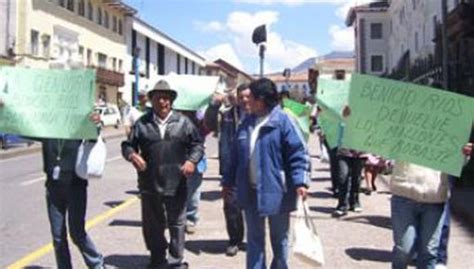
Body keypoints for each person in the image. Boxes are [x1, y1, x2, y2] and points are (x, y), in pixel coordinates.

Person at [223, 78, 310, 269]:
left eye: (251, 97)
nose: (247, 101)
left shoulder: (283, 121)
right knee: (254, 239)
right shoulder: (246, 123)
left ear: (261, 99)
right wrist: (227, 182)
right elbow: (234, 156)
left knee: (279, 240)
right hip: (250, 190)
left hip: (277, 191)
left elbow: (299, 153)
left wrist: (301, 182)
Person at [121, 80, 204, 269]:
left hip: (177, 182)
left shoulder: (183, 122)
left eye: (166, 98)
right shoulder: (142, 123)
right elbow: (128, 145)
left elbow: (197, 145)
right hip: (150, 182)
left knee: (177, 224)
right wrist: (132, 155)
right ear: (151, 100)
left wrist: (192, 161)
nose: (163, 102)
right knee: (153, 225)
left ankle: (175, 261)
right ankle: (157, 258)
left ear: (172, 101)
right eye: (158, 98)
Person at [38, 115, 105, 269]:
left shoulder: (78, 125)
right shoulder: (45, 127)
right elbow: (22, 126)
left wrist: (95, 123)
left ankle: (96, 263)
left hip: (75, 186)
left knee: (77, 232)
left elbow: (93, 136)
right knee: (58, 237)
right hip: (53, 187)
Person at [204, 83, 251, 256]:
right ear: (237, 98)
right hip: (231, 168)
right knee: (231, 206)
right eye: (241, 97)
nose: (245, 100)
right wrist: (214, 104)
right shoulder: (227, 115)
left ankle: (253, 239)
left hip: (253, 168)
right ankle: (235, 240)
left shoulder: (259, 114)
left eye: (248, 96)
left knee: (253, 208)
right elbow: (209, 124)